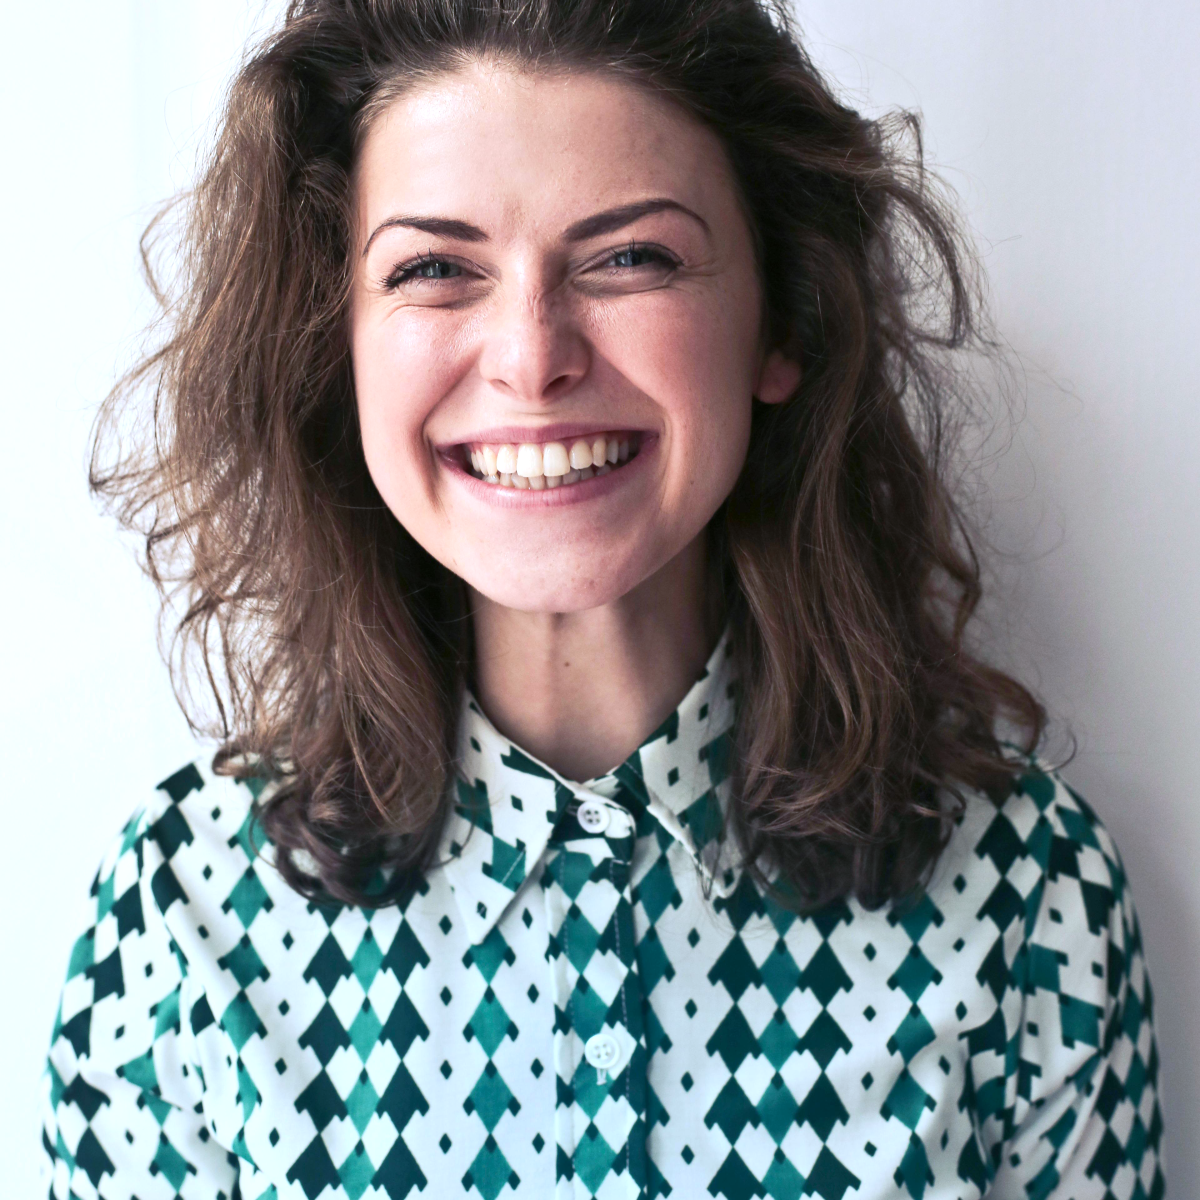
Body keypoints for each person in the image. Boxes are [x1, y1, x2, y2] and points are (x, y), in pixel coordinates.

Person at [39, 0, 1164, 1196]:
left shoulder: (1026, 894)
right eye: (432, 269)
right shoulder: (184, 913)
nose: (532, 356)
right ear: (339, 348)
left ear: (785, 317)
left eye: (631, 257)